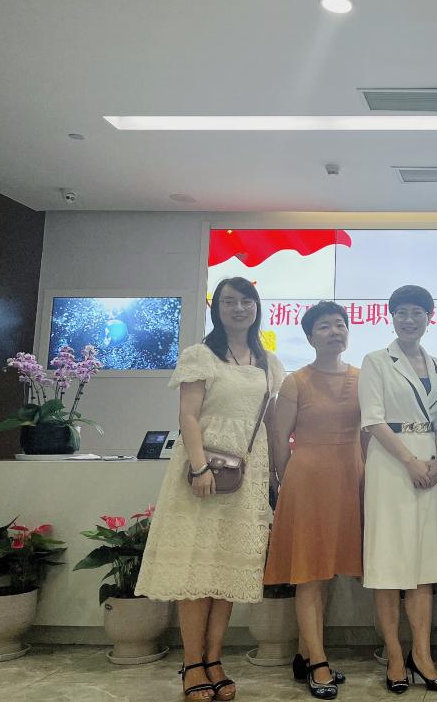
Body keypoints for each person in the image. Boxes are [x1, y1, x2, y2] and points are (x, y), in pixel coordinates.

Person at [136, 276, 285, 701]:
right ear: (217, 309)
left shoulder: (269, 361)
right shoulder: (200, 355)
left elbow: (270, 423)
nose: (239, 308)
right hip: (201, 471)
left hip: (248, 474)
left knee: (228, 570)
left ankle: (215, 659)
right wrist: (200, 467)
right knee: (197, 570)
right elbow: (188, 415)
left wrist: (276, 474)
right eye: (229, 301)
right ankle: (192, 663)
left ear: (256, 307)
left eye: (246, 301)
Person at [263, 302, 364, 700]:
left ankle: (305, 654)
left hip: (349, 479)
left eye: (340, 324)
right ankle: (318, 663)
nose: (335, 331)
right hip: (307, 483)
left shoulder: (362, 377)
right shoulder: (296, 381)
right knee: (309, 571)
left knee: (331, 569)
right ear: (309, 336)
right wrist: (283, 480)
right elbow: (279, 437)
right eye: (324, 326)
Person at [358, 285, 437, 694]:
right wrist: (410, 461)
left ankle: (423, 656)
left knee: (424, 566)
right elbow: (372, 420)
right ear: (392, 317)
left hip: (429, 466)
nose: (409, 319)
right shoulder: (376, 361)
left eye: (417, 312)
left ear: (430, 317)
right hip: (392, 465)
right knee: (388, 564)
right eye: (401, 312)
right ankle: (395, 657)